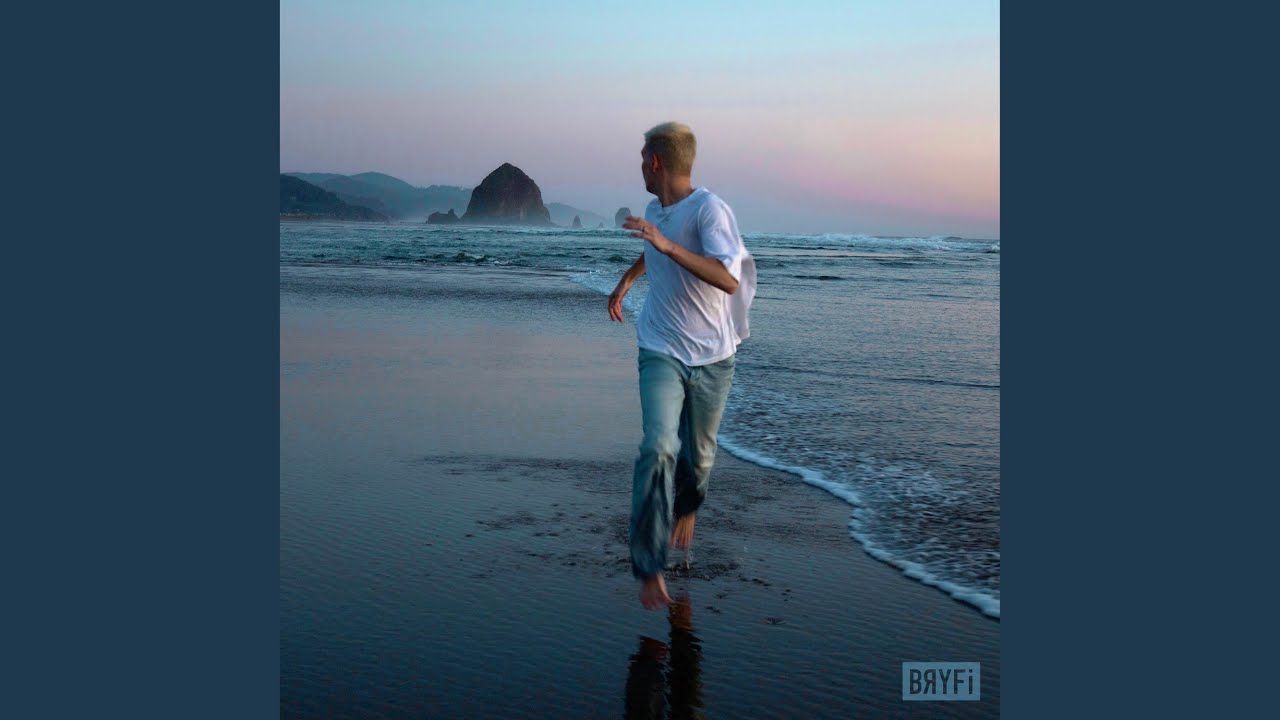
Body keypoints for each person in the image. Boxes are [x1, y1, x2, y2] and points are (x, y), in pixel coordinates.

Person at [608, 122, 757, 610]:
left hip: (713, 355)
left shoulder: (711, 210)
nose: (639, 167)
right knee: (657, 447)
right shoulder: (656, 210)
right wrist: (628, 280)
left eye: (641, 159)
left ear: (656, 161)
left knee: (699, 461)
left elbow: (727, 279)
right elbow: (654, 249)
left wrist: (667, 245)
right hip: (660, 346)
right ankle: (649, 566)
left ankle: (687, 506)